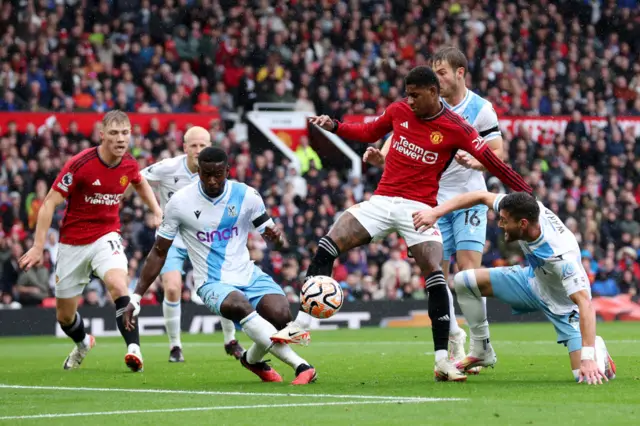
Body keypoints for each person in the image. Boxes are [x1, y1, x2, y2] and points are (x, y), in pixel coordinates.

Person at [272, 66, 532, 382]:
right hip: (382, 200)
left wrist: (526, 193)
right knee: (329, 243)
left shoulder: (457, 128)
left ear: (434, 93)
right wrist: (335, 126)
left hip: (419, 209)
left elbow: (493, 162)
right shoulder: (398, 111)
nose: (408, 100)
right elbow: (368, 131)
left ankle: (443, 361)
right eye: (406, 94)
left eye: (415, 95)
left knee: (435, 273)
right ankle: (301, 326)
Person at [124, 147, 317, 385]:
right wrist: (135, 297)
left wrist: (277, 240)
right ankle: (302, 366)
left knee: (281, 315)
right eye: (206, 174)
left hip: (248, 274)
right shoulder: (180, 202)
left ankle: (252, 360)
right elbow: (159, 251)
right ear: (199, 172)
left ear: (228, 170)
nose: (212, 180)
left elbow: (274, 239)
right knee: (240, 305)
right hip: (212, 282)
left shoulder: (247, 195)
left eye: (218, 174)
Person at [363, 47, 505, 366]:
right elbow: (400, 135)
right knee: (435, 274)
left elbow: (498, 151)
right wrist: (382, 156)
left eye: (441, 73)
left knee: (467, 273)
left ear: (460, 73)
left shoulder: (481, 109)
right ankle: (454, 339)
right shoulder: (422, 106)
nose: (436, 79)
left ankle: (482, 345)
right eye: (434, 73)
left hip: (468, 197)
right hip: (431, 201)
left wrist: (480, 164)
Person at [412, 191, 617, 385]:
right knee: (464, 281)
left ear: (523, 223)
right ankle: (482, 349)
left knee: (582, 376)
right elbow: (480, 195)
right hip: (532, 282)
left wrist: (588, 357)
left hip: (564, 308)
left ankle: (596, 347)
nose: (500, 224)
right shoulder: (524, 208)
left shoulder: (560, 256)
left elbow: (585, 305)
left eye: (504, 221)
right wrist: (436, 212)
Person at [19, 110, 163, 372]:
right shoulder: (80, 164)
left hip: (106, 236)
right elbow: (50, 202)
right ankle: (84, 342)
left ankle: (134, 350)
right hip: (72, 243)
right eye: (114, 133)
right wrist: (38, 246)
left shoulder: (129, 164)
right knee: (64, 316)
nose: (121, 139)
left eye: (125, 133)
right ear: (102, 135)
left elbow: (139, 182)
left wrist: (156, 210)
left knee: (119, 286)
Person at [140, 126, 244, 363]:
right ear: (184, 147)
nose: (198, 150)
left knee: (223, 287)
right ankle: (175, 346)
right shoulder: (168, 168)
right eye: (194, 145)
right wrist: (155, 208)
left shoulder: (218, 170)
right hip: (173, 237)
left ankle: (230, 340)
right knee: (173, 288)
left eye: (203, 145)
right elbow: (137, 178)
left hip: (205, 239)